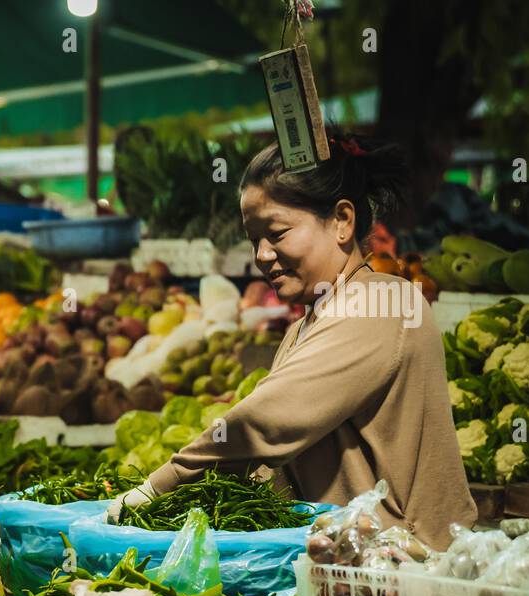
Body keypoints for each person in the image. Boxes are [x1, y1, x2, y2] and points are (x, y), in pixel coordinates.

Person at [109, 131, 476, 549]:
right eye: (254, 239)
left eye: (277, 233)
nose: (262, 254)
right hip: (342, 567)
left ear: (341, 221)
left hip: (407, 573)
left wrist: (157, 489)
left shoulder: (385, 303)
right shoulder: (307, 325)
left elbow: (267, 422)